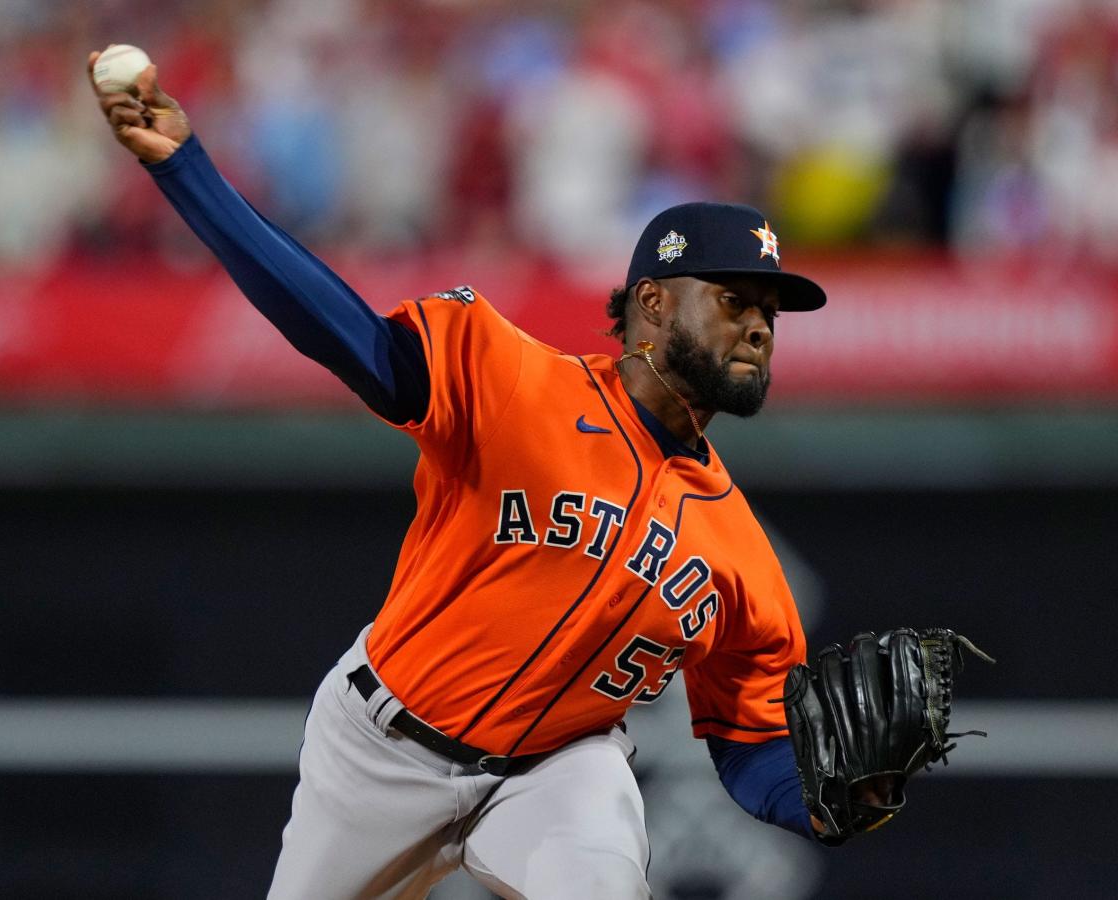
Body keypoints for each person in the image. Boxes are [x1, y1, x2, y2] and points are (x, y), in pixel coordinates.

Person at [89, 57, 842, 899]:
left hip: (559, 772)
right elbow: (349, 337)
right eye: (735, 299)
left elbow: (751, 746)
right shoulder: (514, 381)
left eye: (770, 312)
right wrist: (190, 174)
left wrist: (827, 798)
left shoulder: (743, 557)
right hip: (380, 748)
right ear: (655, 304)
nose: (759, 327)